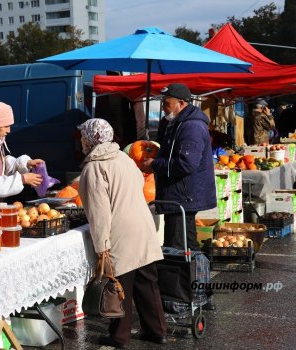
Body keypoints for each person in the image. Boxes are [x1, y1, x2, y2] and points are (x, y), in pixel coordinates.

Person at [78, 118, 167, 348]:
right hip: (143, 226)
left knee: (119, 287)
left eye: (82, 137)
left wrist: (102, 246)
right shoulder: (124, 158)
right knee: (148, 283)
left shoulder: (94, 167)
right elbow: (138, 182)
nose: (80, 141)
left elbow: (99, 212)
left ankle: (119, 337)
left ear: (91, 139)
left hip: (121, 231)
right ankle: (158, 331)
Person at [141, 83, 216, 252]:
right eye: (162, 104)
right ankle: (190, 276)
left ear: (181, 103)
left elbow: (186, 163)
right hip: (178, 195)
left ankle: (187, 277)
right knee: (182, 245)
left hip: (184, 196)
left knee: (180, 248)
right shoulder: (175, 123)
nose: (163, 108)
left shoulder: (192, 126)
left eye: (166, 103)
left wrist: (154, 164)